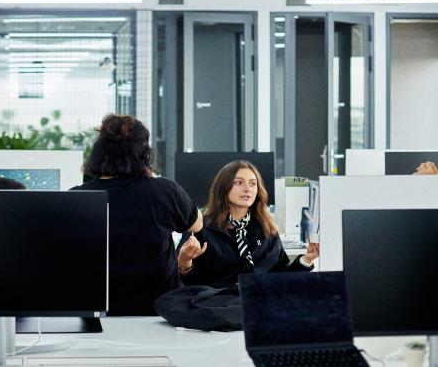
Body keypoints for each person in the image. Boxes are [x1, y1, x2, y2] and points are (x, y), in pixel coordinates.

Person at [70, 113, 203, 316]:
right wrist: (153, 177)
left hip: (98, 311)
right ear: (144, 153)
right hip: (160, 310)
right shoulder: (165, 190)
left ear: (99, 152)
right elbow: (197, 225)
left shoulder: (78, 197)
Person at [177, 160, 319, 289]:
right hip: (218, 303)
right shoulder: (200, 228)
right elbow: (192, 286)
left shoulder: (267, 229)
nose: (247, 189)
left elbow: (281, 277)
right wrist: (184, 264)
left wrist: (306, 259)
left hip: (260, 300)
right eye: (239, 182)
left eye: (252, 184)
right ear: (223, 188)